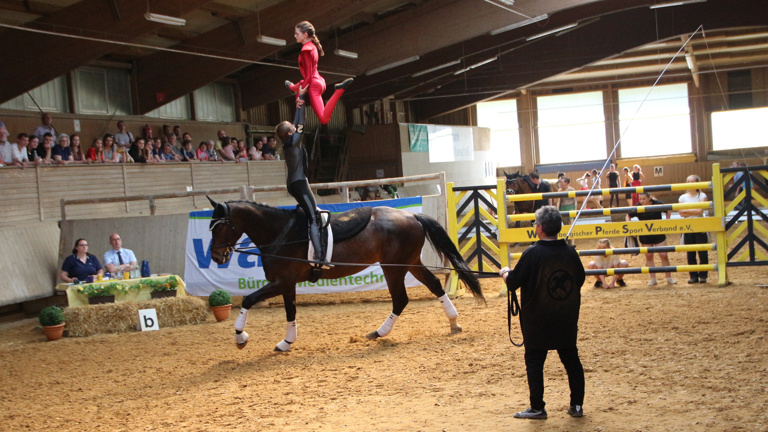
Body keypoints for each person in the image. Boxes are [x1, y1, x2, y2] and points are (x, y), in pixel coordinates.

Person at [499, 206, 586, 420]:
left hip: (538, 320)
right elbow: (580, 279)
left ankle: (537, 407)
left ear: (539, 228)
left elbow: (513, 282)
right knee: (571, 361)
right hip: (565, 317)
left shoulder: (532, 253)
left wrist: (505, 273)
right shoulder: (570, 252)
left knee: (535, 362)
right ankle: (576, 406)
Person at [276, 85, 329, 272]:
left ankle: (312, 248)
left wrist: (299, 100)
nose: (293, 126)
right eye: (291, 127)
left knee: (310, 215)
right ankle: (320, 256)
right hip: (299, 183)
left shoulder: (289, 141)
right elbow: (301, 123)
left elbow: (297, 123)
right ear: (290, 132)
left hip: (293, 183)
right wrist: (302, 101)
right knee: (314, 216)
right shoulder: (292, 141)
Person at [285, 21, 353, 125]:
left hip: (313, 85)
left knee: (324, 119)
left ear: (305, 34)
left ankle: (339, 90)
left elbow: (308, 77)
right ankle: (292, 88)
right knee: (301, 85)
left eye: (297, 34)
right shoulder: (312, 46)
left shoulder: (306, 51)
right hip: (319, 81)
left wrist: (300, 96)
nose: (295, 36)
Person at [627, 192, 677, 286]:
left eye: (644, 199)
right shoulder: (637, 206)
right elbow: (628, 216)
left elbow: (668, 210)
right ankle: (653, 278)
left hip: (658, 233)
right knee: (649, 256)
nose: (642, 201)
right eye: (640, 199)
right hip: (645, 234)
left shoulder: (657, 204)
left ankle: (669, 278)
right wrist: (630, 225)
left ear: (649, 198)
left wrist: (667, 221)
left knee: (663, 255)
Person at [678, 174, 709, 284]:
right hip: (688, 226)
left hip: (700, 225)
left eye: (692, 181)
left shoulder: (702, 195)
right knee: (690, 253)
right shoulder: (682, 197)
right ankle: (693, 276)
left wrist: (688, 211)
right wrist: (693, 210)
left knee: (702, 252)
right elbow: (681, 213)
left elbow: (700, 211)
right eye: (688, 181)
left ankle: (703, 276)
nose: (690, 183)